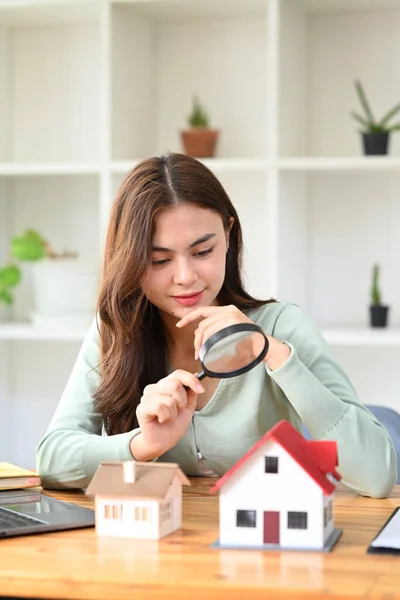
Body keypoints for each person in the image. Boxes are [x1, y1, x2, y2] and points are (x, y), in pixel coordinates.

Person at [36, 153, 397, 497]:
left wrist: (273, 354)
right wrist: (144, 445)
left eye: (202, 252)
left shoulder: (281, 327)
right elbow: (52, 460)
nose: (185, 277)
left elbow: (377, 476)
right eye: (159, 260)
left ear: (228, 234)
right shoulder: (115, 331)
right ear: (130, 260)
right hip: (162, 548)